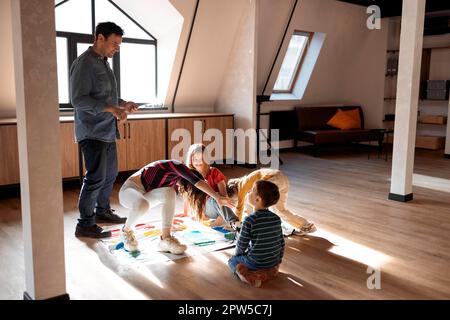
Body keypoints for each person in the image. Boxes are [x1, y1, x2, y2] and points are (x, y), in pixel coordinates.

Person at [70, 22, 138, 238]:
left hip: (107, 131)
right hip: (91, 131)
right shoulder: (84, 63)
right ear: (100, 38)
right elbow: (78, 99)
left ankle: (102, 212)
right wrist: (111, 108)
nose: (116, 48)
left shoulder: (104, 63)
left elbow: (105, 97)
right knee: (95, 178)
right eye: (114, 44)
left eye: (119, 45)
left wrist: (122, 103)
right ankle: (85, 224)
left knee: (110, 175)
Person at [118, 160, 235, 255]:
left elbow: (166, 201)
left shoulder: (173, 179)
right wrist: (217, 197)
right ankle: (126, 231)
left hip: (144, 195)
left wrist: (169, 224)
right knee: (142, 204)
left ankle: (166, 238)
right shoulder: (176, 165)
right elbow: (197, 181)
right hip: (129, 190)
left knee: (169, 193)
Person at [228, 180, 284, 287]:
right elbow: (281, 242)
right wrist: (278, 260)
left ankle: (249, 276)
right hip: (274, 261)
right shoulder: (276, 218)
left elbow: (241, 244)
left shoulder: (249, 220)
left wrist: (236, 254)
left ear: (258, 199)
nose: (248, 191)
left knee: (232, 261)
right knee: (252, 256)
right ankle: (269, 271)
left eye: (252, 190)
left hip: (256, 262)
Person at [226, 168, 316, 235]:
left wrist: (235, 223)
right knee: (280, 210)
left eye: (235, 198)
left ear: (234, 189)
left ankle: (256, 226)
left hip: (273, 179)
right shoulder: (247, 181)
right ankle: (306, 226)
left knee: (253, 203)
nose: (237, 200)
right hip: (282, 179)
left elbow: (239, 209)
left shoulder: (242, 187)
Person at [184, 144, 239, 227]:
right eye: (195, 159)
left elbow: (224, 196)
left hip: (216, 206)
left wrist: (221, 217)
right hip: (201, 209)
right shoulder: (189, 175)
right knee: (215, 198)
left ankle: (233, 222)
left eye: (201, 159)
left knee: (219, 197)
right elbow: (187, 195)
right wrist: (185, 212)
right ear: (191, 160)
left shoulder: (214, 172)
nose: (198, 162)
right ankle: (233, 222)